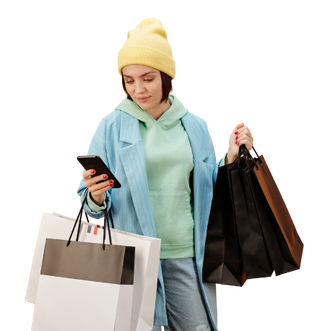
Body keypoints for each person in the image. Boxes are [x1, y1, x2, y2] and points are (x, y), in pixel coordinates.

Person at [77, 18, 253, 331]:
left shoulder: (194, 126)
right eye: (129, 80)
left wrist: (232, 158)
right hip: (132, 258)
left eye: (148, 78)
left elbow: (208, 192)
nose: (139, 89)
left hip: (185, 254)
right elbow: (89, 209)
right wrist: (95, 194)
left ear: (165, 77)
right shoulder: (111, 127)